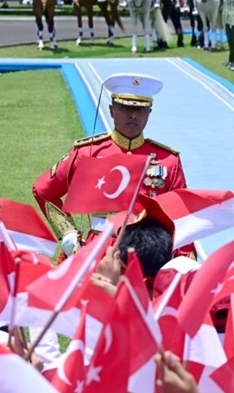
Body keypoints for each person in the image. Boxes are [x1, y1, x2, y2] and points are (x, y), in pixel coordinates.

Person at [32, 73, 186, 257]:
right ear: (112, 110)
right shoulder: (88, 152)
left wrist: (182, 261)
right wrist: (68, 234)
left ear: (149, 113)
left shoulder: (168, 160)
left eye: (141, 109)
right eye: (125, 107)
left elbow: (183, 215)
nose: (133, 115)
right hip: (97, 252)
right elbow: (44, 191)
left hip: (147, 257)